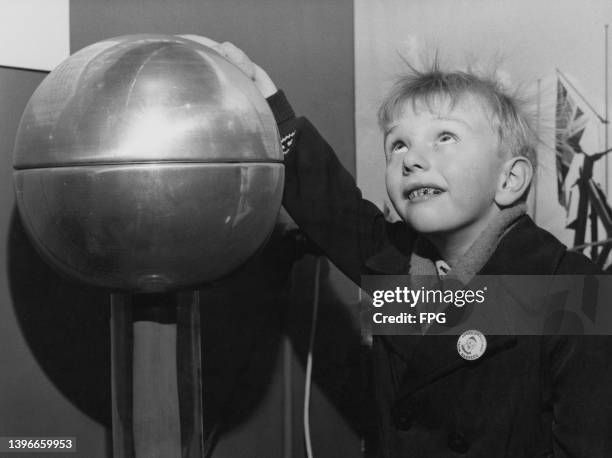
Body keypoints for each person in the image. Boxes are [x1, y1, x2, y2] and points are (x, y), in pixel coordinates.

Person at [199, 37, 612, 457]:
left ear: (509, 180)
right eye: (398, 144)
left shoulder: (573, 290)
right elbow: (333, 209)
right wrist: (268, 106)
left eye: (445, 137)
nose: (411, 159)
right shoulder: (394, 264)